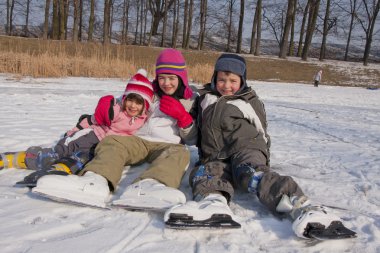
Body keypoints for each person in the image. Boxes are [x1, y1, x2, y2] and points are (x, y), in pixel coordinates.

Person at [164, 54, 356, 240]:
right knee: (207, 172)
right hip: (215, 155)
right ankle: (212, 203)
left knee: (252, 173)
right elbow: (191, 121)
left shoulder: (248, 100)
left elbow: (262, 131)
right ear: (215, 78)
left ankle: (300, 206)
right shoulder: (204, 98)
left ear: (242, 80)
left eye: (233, 80)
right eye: (222, 79)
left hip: (246, 147)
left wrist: (261, 157)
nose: (227, 85)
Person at [31, 48, 198, 210]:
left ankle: (151, 185)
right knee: (113, 141)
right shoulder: (148, 91)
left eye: (171, 78)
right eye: (162, 78)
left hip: (167, 144)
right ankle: (95, 180)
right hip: (137, 140)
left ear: (181, 77)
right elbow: (121, 103)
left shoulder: (190, 100)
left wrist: (183, 117)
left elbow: (192, 139)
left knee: (180, 153)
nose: (166, 83)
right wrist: (107, 106)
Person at [15, 70, 154, 186]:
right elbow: (92, 119)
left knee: (79, 160)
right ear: (124, 99)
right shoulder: (116, 110)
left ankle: (55, 171)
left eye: (138, 102)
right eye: (130, 100)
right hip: (91, 137)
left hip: (104, 148)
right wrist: (75, 131)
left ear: (145, 105)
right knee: (59, 152)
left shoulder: (143, 120)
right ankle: (20, 158)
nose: (133, 106)